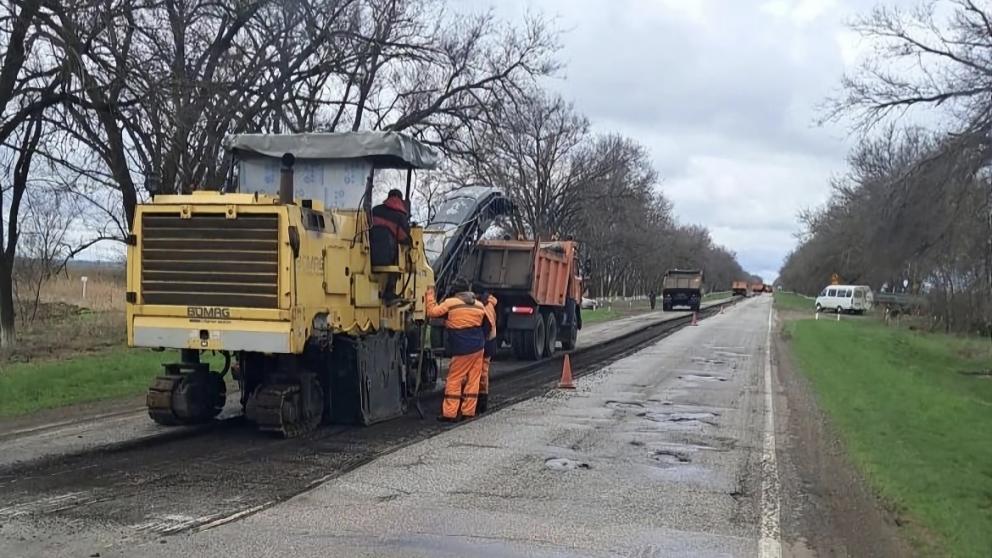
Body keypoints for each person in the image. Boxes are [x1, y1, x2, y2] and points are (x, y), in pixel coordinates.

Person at [425, 278, 491, 422]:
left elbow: (432, 312)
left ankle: (450, 413)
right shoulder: (479, 305)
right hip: (478, 347)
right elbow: (487, 326)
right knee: (473, 380)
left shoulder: (451, 303)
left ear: (455, 291)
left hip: (462, 348)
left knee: (454, 380)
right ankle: (468, 411)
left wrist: (430, 293)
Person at [371, 189, 410, 303]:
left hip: (369, 254)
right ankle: (389, 292)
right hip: (388, 256)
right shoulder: (400, 216)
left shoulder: (375, 210)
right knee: (399, 259)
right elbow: (403, 238)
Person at [477, 291, 498, 414]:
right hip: (489, 342)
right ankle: (481, 401)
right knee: (482, 373)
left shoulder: (485, 306)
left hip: (486, 342)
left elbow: (487, 326)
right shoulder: (488, 304)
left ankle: (481, 402)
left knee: (482, 373)